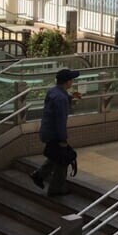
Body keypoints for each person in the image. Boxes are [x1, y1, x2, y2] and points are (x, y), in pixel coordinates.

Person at [31, 68, 82, 197]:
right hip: (54, 134)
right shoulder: (61, 99)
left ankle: (39, 175)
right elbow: (60, 120)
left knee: (55, 155)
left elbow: (58, 100)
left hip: (47, 131)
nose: (72, 82)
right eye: (71, 80)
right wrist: (63, 139)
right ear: (67, 82)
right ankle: (56, 188)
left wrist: (71, 97)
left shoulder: (54, 92)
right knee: (63, 159)